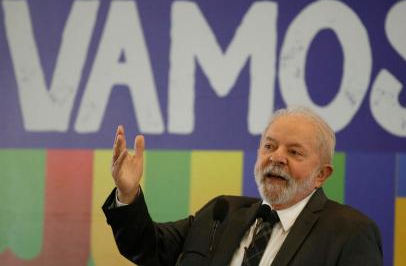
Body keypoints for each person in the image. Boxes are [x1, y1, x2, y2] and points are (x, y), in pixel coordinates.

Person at [102, 107, 382, 266]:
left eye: (294, 152)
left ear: (322, 174)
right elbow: (147, 248)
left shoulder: (349, 232)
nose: (277, 158)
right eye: (269, 146)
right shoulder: (220, 213)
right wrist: (128, 193)